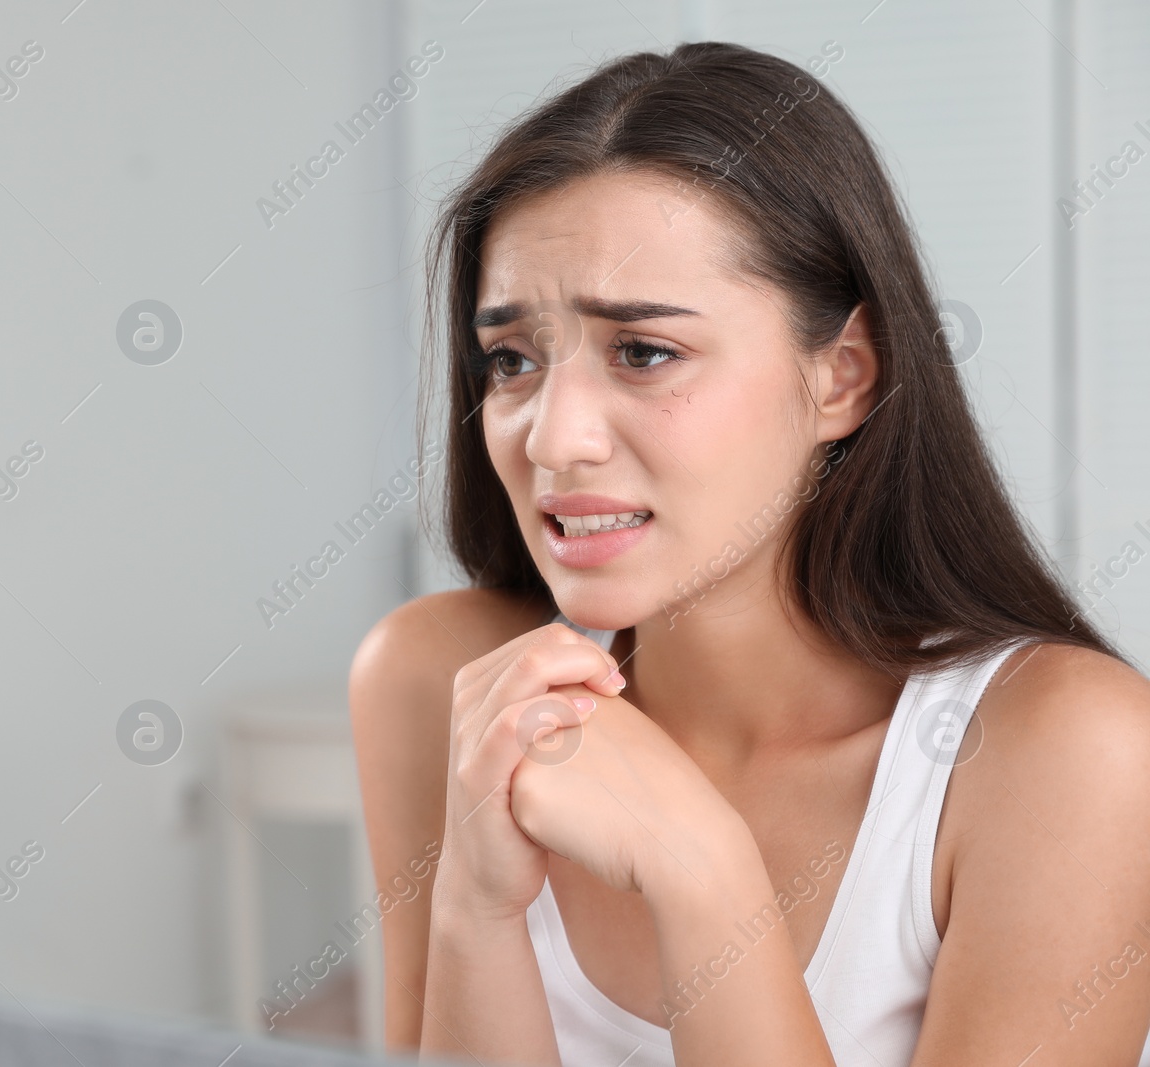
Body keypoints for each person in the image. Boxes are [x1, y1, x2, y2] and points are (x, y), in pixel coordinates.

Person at [349, 41, 1150, 1067]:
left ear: (842, 378)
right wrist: (474, 905)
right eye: (511, 359)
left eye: (644, 352)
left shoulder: (1067, 752)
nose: (551, 437)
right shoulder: (443, 682)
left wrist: (702, 872)